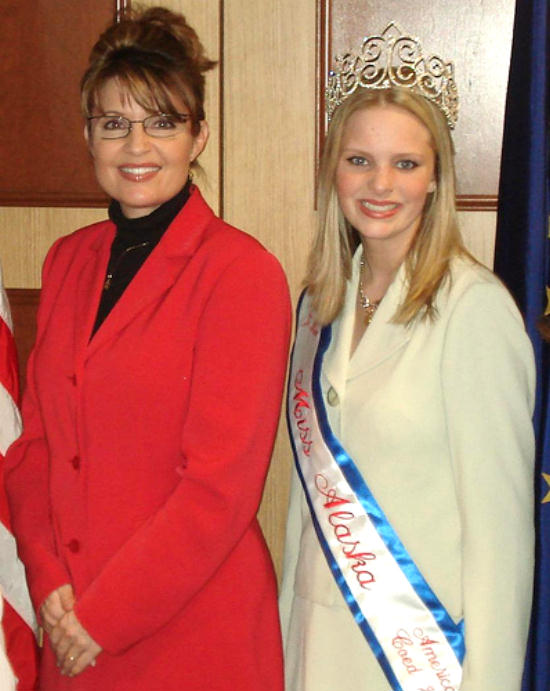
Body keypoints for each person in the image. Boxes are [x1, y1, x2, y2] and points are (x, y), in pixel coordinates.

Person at [4, 7, 289, 691]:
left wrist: (99, 619)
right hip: (71, 633)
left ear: (198, 136)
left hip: (190, 640)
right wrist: (47, 581)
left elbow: (217, 493)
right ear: (88, 135)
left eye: (162, 121)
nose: (137, 145)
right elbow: (36, 446)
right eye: (114, 123)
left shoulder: (240, 274)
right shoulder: (68, 261)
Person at [279, 23, 535, 691]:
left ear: (436, 177)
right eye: (359, 160)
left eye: (406, 163)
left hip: (417, 665)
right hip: (314, 653)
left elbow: (501, 547)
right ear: (332, 168)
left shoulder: (474, 311)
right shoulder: (315, 307)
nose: (380, 184)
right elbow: (304, 519)